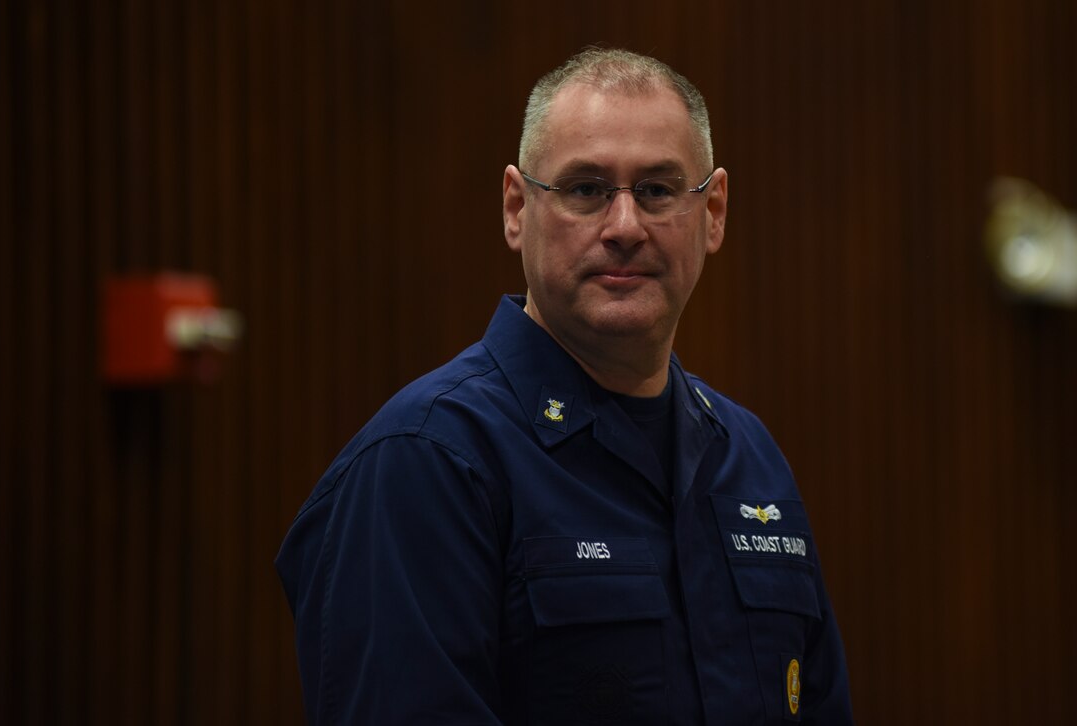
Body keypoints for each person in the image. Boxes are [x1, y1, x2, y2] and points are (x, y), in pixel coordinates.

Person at [276, 47, 853, 725]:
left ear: (714, 211)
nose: (625, 227)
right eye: (585, 190)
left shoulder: (747, 457)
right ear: (517, 208)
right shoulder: (428, 460)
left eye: (659, 190)